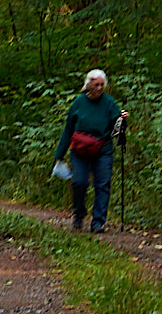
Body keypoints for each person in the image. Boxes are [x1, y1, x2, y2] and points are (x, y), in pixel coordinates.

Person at [53, 69, 128, 233]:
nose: (100, 88)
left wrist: (122, 120)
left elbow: (117, 126)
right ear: (89, 85)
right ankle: (79, 214)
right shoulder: (78, 103)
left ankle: (98, 222)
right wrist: (59, 155)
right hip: (80, 150)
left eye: (102, 85)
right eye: (96, 85)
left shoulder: (109, 103)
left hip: (103, 149)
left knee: (103, 184)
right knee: (79, 182)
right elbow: (68, 130)